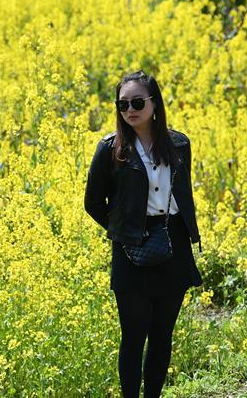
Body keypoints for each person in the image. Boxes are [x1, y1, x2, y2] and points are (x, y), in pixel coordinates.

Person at [84, 71, 202, 398]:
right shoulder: (110, 148)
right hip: (130, 247)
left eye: (137, 102)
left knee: (162, 335)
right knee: (134, 337)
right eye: (123, 104)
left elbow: (183, 193)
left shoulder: (179, 144)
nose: (130, 110)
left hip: (173, 240)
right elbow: (93, 202)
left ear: (154, 103)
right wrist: (124, 230)